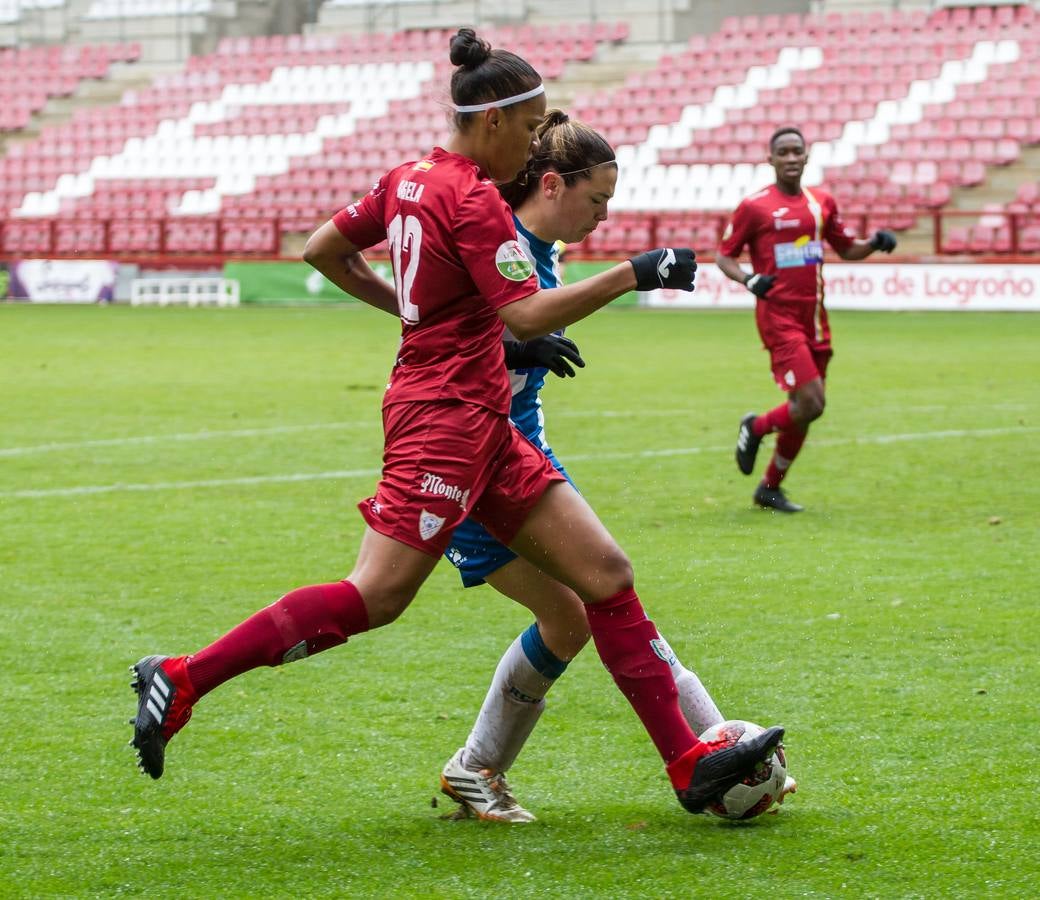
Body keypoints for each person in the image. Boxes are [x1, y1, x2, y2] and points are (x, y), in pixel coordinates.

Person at [128, 28, 783, 819]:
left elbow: (323, 250)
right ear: (494, 121)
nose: (541, 140)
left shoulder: (408, 178)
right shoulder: (471, 195)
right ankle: (185, 675)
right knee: (376, 596)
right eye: (534, 123)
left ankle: (686, 762)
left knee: (605, 577)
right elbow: (528, 308)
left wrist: (421, 315)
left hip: (481, 421)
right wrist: (635, 272)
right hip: (442, 421)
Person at [428, 110, 776, 823]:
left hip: (522, 452)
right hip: (475, 462)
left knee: (585, 613)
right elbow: (441, 349)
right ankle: (711, 752)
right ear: (552, 185)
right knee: (603, 595)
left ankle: (478, 768)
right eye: (598, 200)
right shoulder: (498, 237)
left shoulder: (539, 249)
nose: (604, 214)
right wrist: (518, 345)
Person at [716, 126, 897, 513]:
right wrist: (749, 279)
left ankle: (769, 488)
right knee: (812, 402)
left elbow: (847, 249)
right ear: (771, 159)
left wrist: (875, 243)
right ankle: (756, 427)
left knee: (805, 409)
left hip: (815, 316)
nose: (791, 158)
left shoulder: (822, 203)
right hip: (779, 317)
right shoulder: (755, 207)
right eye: (783, 152)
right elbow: (724, 256)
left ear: (807, 156)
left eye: (797, 151)